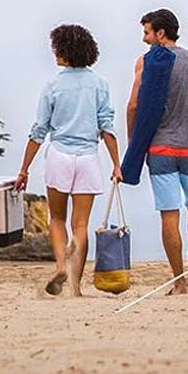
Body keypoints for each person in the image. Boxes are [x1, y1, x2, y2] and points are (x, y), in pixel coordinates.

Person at [15, 25, 122, 297]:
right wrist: (117, 164)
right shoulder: (99, 84)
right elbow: (107, 127)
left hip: (60, 156)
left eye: (57, 49)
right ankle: (75, 286)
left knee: (57, 218)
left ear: (65, 51)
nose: (54, 54)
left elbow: (39, 131)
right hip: (87, 158)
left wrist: (24, 169)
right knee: (81, 225)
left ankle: (61, 265)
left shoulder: (52, 86)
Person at [127, 9, 188, 295]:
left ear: (161, 33)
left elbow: (133, 106)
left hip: (160, 149)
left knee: (169, 215)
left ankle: (179, 281)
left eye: (147, 32)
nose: (144, 39)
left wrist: (135, 141)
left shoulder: (145, 62)